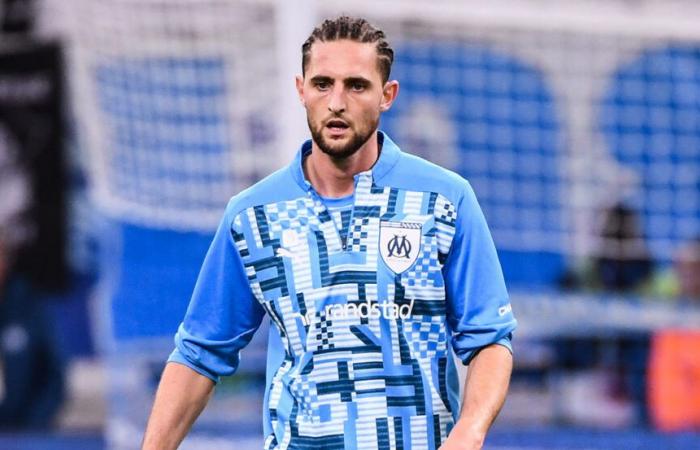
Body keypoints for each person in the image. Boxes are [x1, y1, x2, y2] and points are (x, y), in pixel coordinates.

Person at [142, 16, 516, 450]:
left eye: (356, 86)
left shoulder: (445, 200)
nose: (336, 101)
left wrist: (470, 429)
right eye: (322, 84)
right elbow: (199, 353)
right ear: (301, 90)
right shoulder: (253, 214)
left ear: (386, 96)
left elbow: (489, 338)